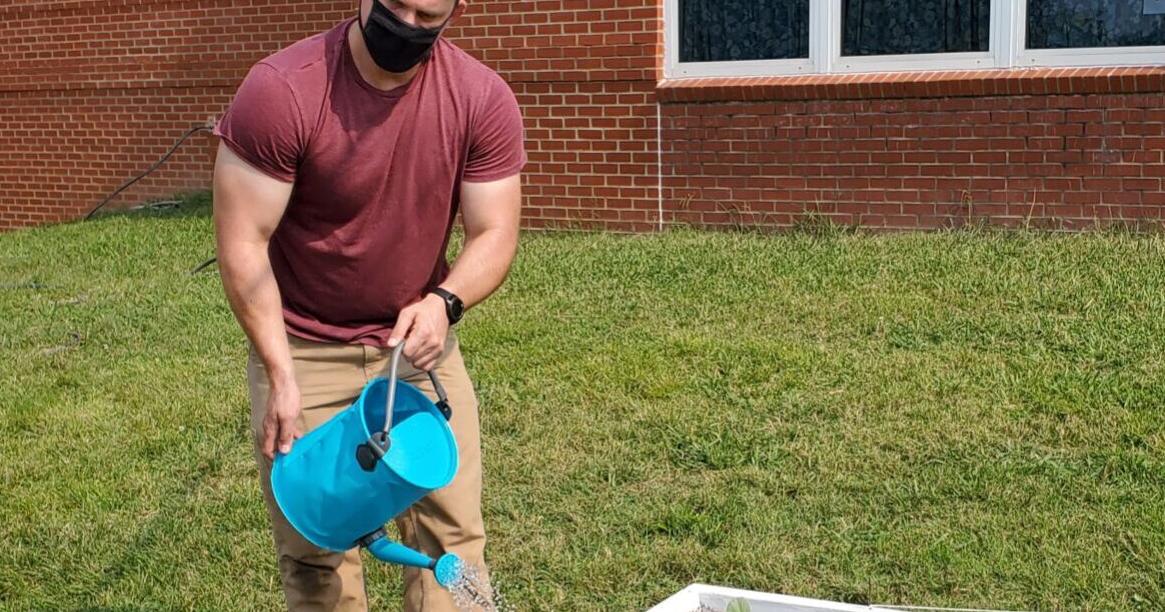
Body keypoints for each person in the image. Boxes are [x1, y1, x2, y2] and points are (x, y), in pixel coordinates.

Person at [210, 0, 525, 608]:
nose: (405, 26)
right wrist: (280, 371)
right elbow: (243, 243)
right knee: (315, 550)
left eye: (426, 15)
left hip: (415, 348)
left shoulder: (480, 98)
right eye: (395, 6)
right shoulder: (282, 91)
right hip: (302, 347)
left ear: (457, 8)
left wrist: (445, 302)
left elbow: (495, 233)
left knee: (453, 537)